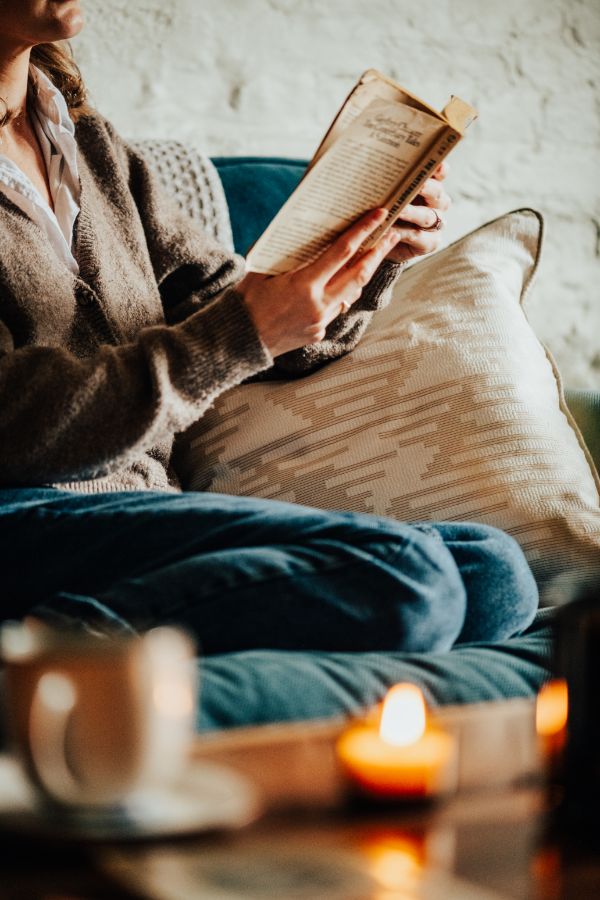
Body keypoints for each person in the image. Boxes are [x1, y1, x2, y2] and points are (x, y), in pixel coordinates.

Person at [0, 0, 538, 656]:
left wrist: (359, 258)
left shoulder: (90, 144)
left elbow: (242, 314)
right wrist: (240, 332)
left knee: (493, 572)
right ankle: (53, 658)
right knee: (413, 577)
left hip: (143, 513)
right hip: (24, 520)